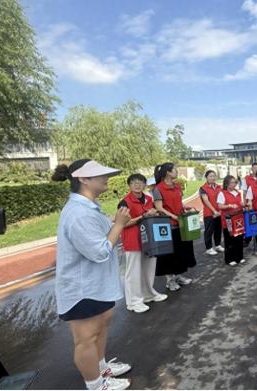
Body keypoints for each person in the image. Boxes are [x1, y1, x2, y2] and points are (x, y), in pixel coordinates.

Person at [52, 159, 132, 390]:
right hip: (82, 289)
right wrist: (119, 224)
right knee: (86, 338)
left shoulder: (89, 207)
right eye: (100, 175)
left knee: (101, 325)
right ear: (83, 179)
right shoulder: (79, 213)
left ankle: (101, 368)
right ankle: (96, 385)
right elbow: (99, 251)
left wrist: (114, 222)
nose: (106, 178)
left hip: (95, 284)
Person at [117, 174, 167, 314]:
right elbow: (123, 223)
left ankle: (148, 294)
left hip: (149, 239)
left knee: (149, 268)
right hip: (133, 240)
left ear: (144, 184)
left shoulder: (149, 199)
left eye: (140, 182)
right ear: (129, 185)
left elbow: (152, 215)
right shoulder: (125, 202)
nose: (137, 185)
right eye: (134, 183)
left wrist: (155, 214)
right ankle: (134, 302)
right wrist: (143, 216)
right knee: (133, 271)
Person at [152, 162, 196, 292]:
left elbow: (179, 202)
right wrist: (173, 216)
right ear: (168, 172)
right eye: (175, 170)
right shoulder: (158, 188)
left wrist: (185, 208)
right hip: (167, 226)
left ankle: (178, 276)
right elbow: (159, 208)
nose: (177, 172)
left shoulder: (177, 186)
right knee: (169, 254)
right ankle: (169, 281)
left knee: (180, 252)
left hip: (180, 223)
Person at [217, 175, 245, 266]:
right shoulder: (222, 193)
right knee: (229, 239)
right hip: (228, 220)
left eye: (235, 182)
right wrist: (229, 205)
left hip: (238, 219)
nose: (234, 184)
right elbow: (220, 206)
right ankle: (229, 259)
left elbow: (239, 203)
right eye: (232, 182)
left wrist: (242, 204)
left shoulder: (237, 192)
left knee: (239, 238)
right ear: (227, 184)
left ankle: (239, 257)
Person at [199, 170, 224, 256]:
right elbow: (206, 201)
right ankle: (209, 248)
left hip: (219, 212)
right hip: (209, 213)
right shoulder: (203, 188)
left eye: (214, 176)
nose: (212, 178)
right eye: (210, 176)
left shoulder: (219, 187)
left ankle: (217, 245)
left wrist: (220, 211)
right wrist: (214, 211)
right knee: (209, 231)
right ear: (206, 177)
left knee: (218, 230)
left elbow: (222, 199)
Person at [241, 163, 257, 248]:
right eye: (254, 168)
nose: (256, 169)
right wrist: (245, 203)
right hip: (250, 204)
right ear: (251, 169)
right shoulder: (246, 179)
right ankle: (247, 239)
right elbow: (244, 192)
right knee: (249, 222)